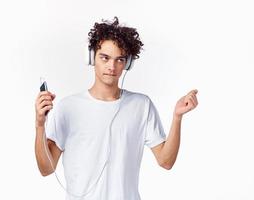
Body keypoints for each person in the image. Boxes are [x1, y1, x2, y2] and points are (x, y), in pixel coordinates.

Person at [34, 17, 198, 200]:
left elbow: (166, 162)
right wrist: (40, 125)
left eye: (119, 60)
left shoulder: (141, 105)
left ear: (127, 64)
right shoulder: (68, 107)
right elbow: (46, 169)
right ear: (92, 57)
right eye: (105, 57)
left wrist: (177, 117)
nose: (112, 67)